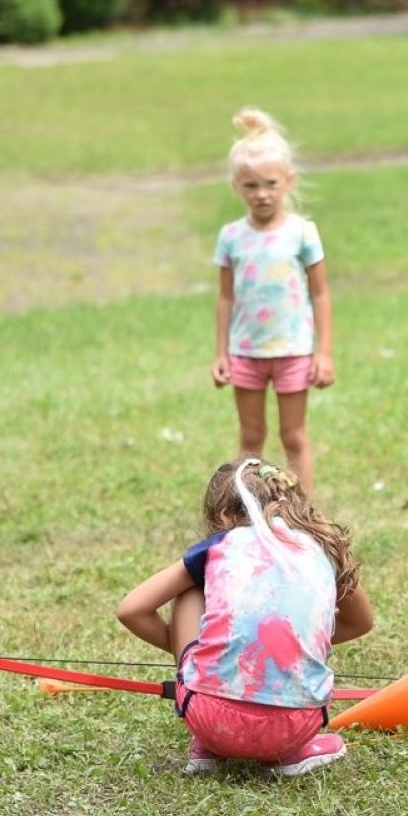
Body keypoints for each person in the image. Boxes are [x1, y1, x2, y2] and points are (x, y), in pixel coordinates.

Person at [117, 457, 375, 776]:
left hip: (209, 718)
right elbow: (361, 622)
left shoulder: (219, 546)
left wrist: (193, 656)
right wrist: (290, 642)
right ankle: (294, 754)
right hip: (296, 727)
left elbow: (131, 610)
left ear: (225, 516)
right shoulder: (323, 545)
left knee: (187, 590)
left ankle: (207, 747)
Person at [211, 109, 335, 494]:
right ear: (236, 186)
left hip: (293, 350)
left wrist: (324, 352)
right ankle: (247, 513)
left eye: (270, 183)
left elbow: (320, 293)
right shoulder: (231, 236)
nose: (261, 194)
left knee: (294, 436)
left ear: (288, 181)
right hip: (246, 351)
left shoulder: (302, 233)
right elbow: (225, 297)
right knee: (250, 438)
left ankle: (303, 515)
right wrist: (221, 354)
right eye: (250, 186)